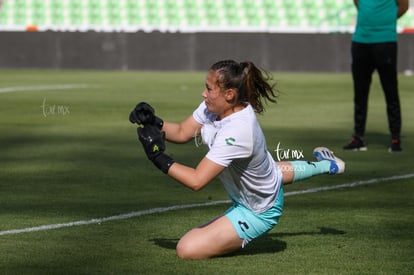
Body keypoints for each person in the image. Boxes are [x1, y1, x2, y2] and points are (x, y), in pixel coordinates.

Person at [130, 60, 345, 259]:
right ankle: (328, 164)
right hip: (259, 180)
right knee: (269, 173)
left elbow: (197, 180)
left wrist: (157, 156)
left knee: (186, 248)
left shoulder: (237, 131)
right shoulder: (215, 107)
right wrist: (154, 122)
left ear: (230, 94)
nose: (203, 93)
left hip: (257, 210)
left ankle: (322, 166)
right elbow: (182, 131)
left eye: (209, 88)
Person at [344, 0, 409, 152]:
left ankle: (395, 138)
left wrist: (384, 21)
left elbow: (404, 6)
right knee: (360, 93)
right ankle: (358, 137)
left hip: (385, 41)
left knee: (390, 91)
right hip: (361, 40)